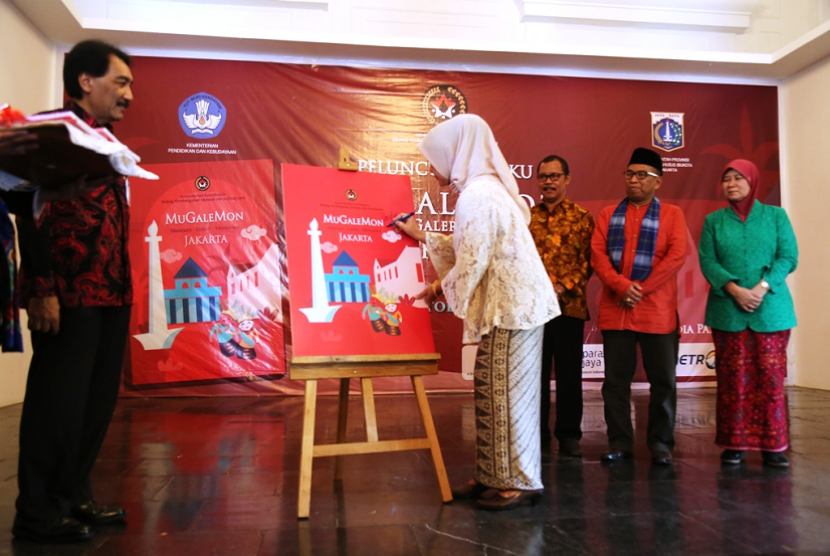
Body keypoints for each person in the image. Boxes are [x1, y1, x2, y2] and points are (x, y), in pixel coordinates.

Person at [395, 114, 559, 510]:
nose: (433, 172)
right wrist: (424, 237)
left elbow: (472, 260)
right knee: (493, 393)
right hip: (511, 308)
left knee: (506, 397)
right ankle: (492, 473)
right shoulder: (485, 190)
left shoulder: (478, 195)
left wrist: (438, 290)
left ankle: (514, 482)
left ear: (455, 153)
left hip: (511, 310)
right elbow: (472, 244)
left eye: (435, 161)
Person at [12, 39, 135, 544]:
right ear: (86, 81)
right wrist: (41, 288)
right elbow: (26, 206)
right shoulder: (48, 133)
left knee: (95, 403)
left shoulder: (107, 142)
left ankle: (75, 494)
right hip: (65, 293)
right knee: (56, 405)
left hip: (111, 292)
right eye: (121, 82)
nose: (129, 94)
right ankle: (37, 512)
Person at [698, 159, 797, 468]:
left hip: (771, 312)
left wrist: (762, 287)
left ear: (752, 182)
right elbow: (707, 260)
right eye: (726, 178)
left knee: (770, 378)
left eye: (738, 178)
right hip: (728, 310)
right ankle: (734, 444)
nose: (731, 184)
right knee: (732, 379)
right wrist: (735, 290)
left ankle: (773, 446)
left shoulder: (776, 216)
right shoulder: (714, 221)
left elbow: (788, 256)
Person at [591, 147, 687, 466]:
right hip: (616, 310)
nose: (634, 180)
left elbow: (676, 257)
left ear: (657, 181)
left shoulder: (672, 214)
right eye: (630, 173)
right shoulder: (608, 215)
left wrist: (641, 289)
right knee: (616, 382)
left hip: (657, 312)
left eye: (642, 174)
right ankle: (620, 442)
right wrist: (621, 286)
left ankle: (661, 444)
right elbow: (598, 256)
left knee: (663, 381)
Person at [528, 155, 594, 458]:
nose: (549, 181)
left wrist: (560, 287)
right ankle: (536, 433)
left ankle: (569, 435)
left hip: (569, 307)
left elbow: (588, 262)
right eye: (543, 176)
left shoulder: (582, 217)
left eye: (555, 176)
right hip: (532, 309)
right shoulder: (526, 217)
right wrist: (539, 291)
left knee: (569, 374)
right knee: (534, 375)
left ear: (567, 178)